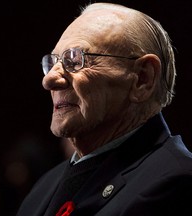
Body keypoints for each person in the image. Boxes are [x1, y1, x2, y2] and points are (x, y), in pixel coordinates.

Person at [16, 2, 192, 216]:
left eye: (74, 60)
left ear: (143, 79)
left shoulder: (176, 183)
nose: (50, 80)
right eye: (52, 62)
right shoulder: (44, 186)